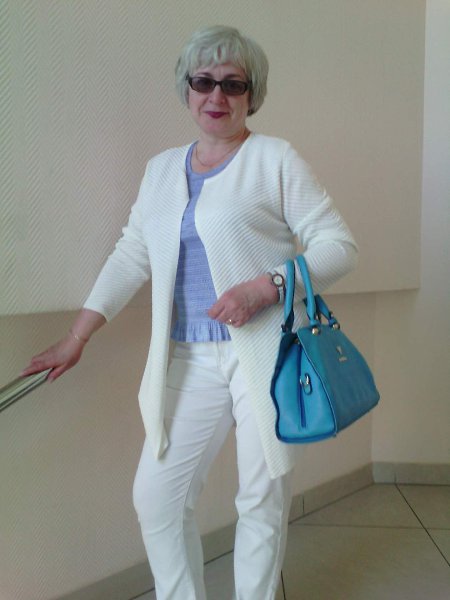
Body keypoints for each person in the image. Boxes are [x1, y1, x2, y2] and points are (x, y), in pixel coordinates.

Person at [23, 25, 358, 600]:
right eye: (203, 81)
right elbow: (132, 252)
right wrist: (78, 335)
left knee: (261, 498)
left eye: (233, 83)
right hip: (189, 355)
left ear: (252, 94)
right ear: (186, 89)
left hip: (267, 354)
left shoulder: (274, 159)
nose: (216, 95)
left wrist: (268, 287)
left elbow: (339, 247)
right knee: (157, 498)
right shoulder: (161, 170)